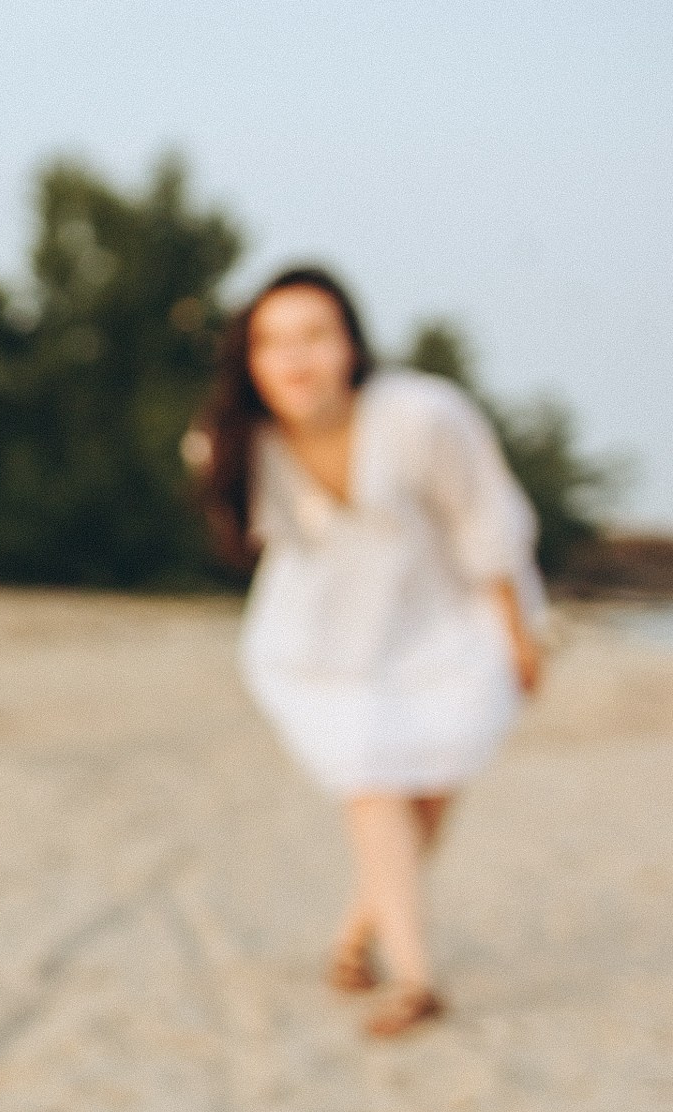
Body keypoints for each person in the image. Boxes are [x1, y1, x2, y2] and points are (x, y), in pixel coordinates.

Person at [196, 267, 545, 1038]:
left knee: (428, 796)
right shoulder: (236, 441)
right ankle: (417, 979)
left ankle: (357, 938)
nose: (295, 359)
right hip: (325, 643)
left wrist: (519, 635)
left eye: (315, 336)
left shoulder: (423, 416)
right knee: (373, 790)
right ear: (248, 360)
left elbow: (485, 521)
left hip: (451, 626)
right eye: (271, 342)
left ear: (351, 345)